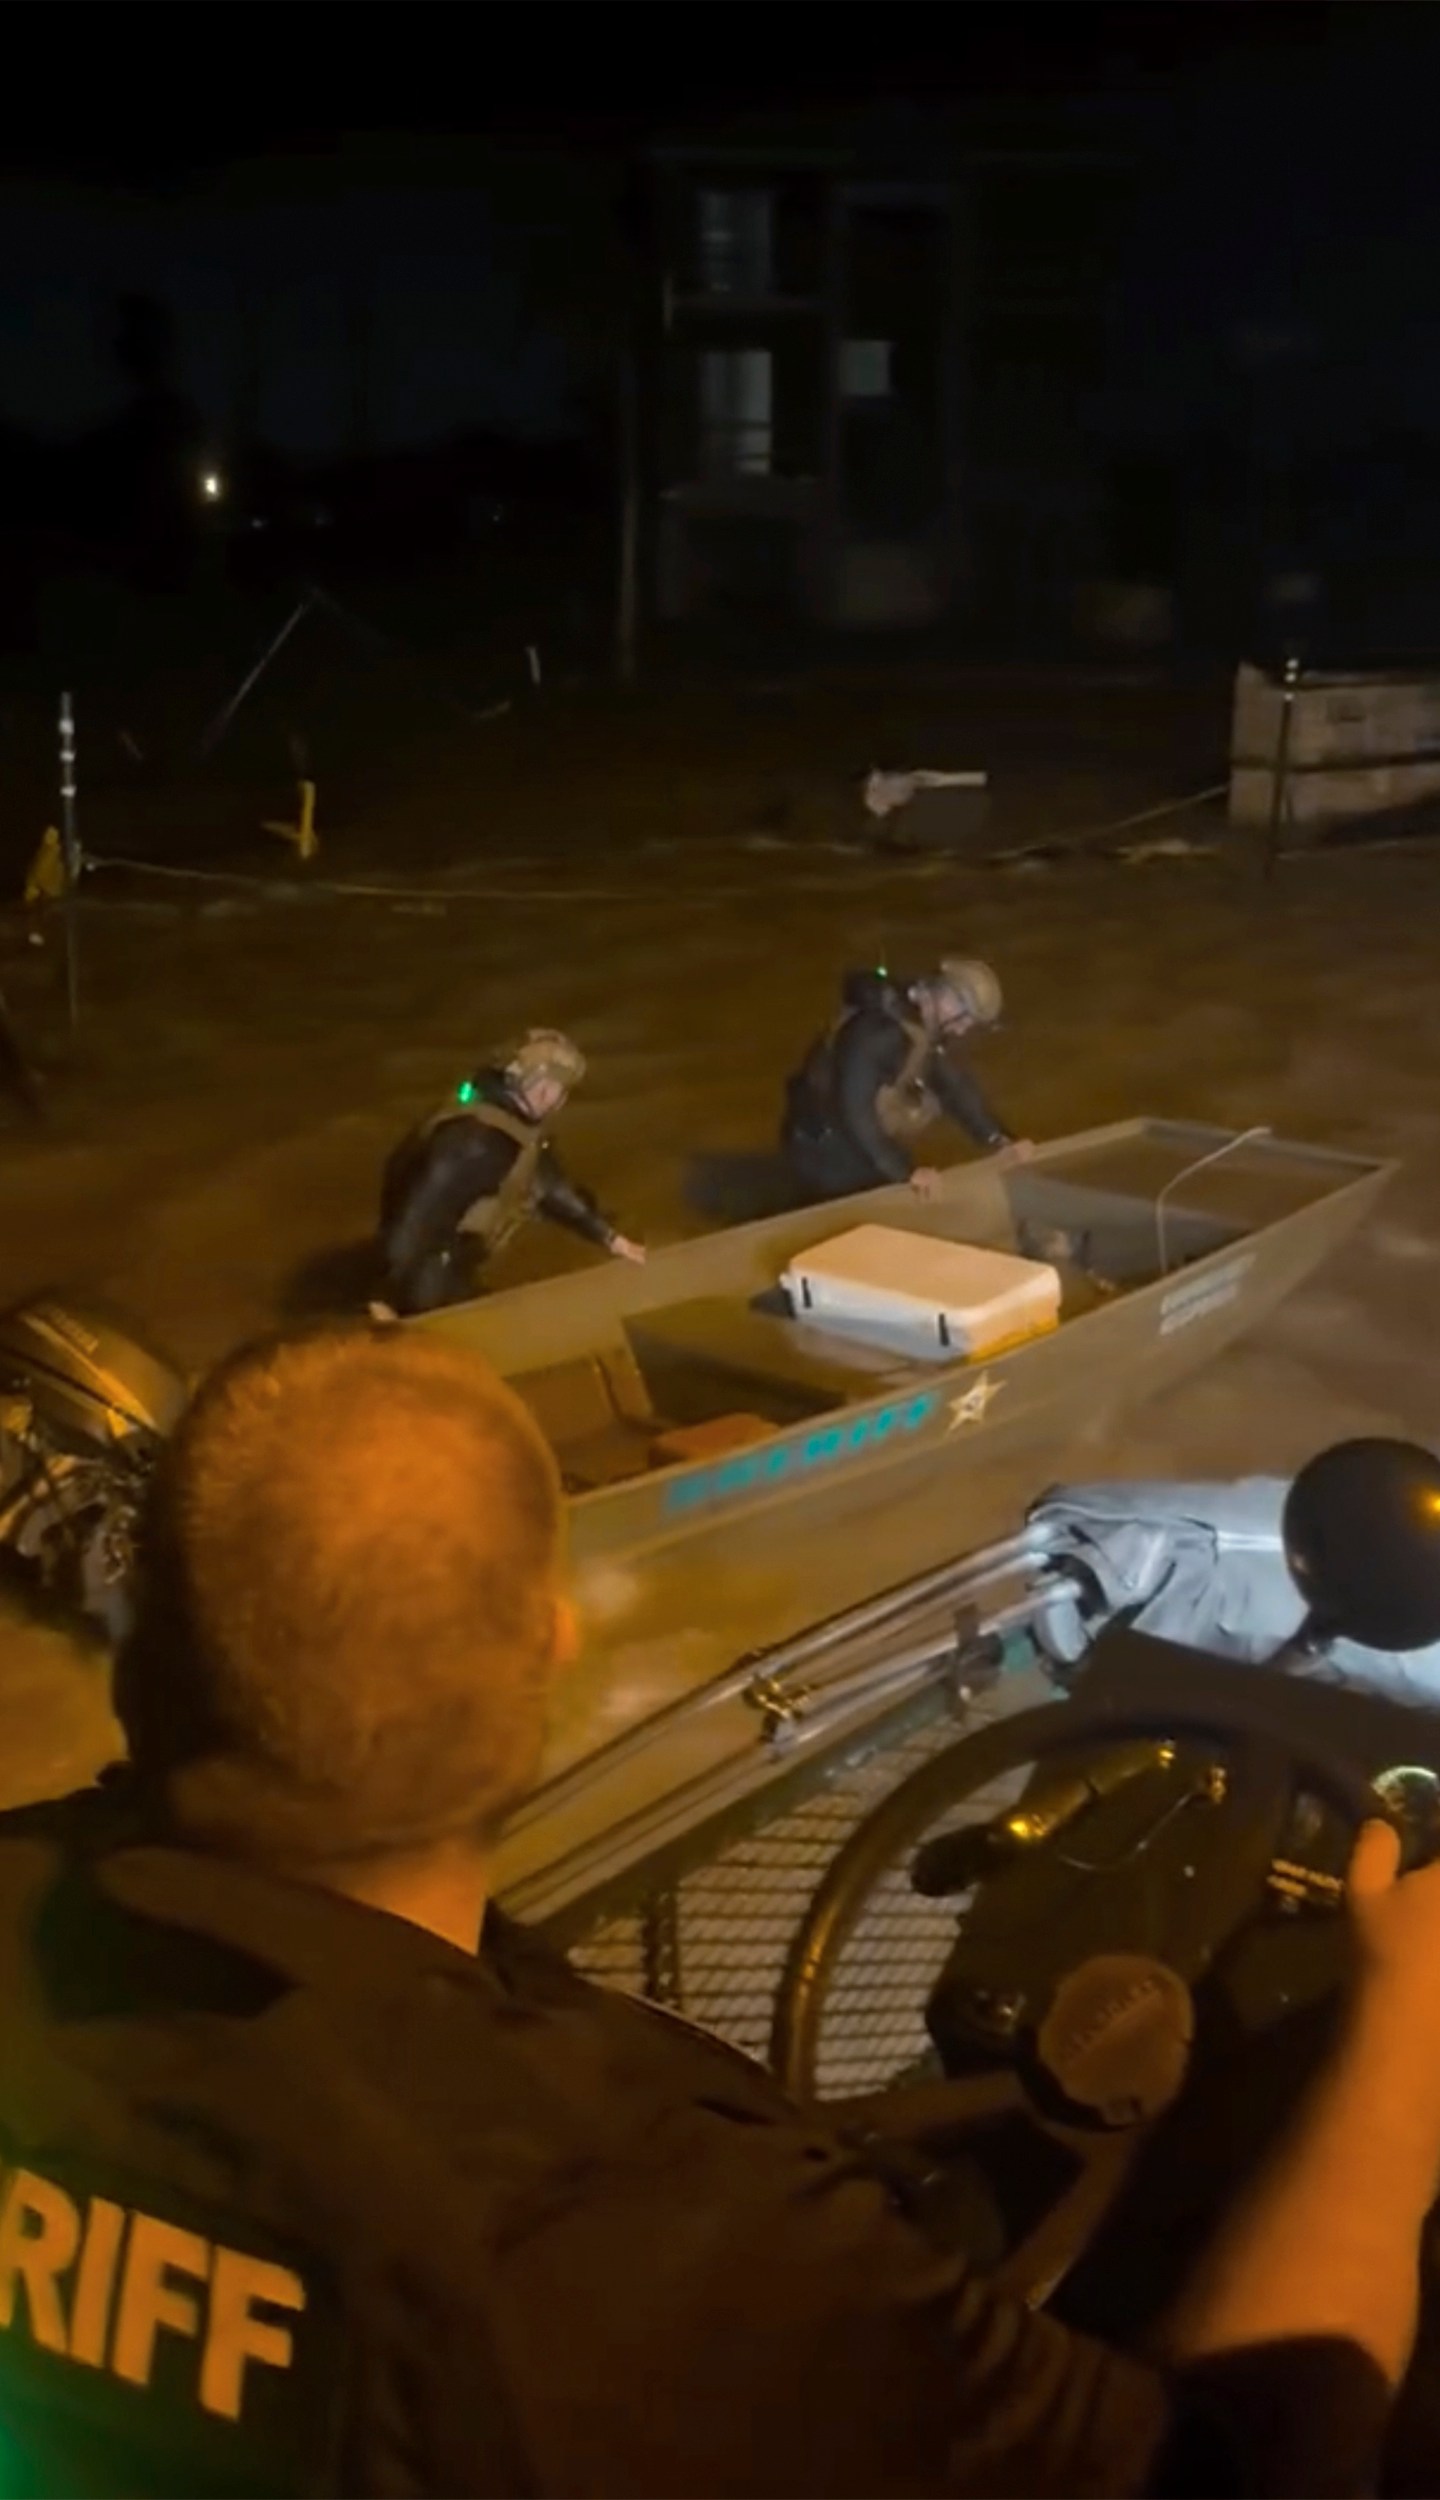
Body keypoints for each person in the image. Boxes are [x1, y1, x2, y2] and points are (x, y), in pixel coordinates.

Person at [0, 1322, 1435, 2497]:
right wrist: (1402, 2043)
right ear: (552, 1652)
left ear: (137, 1654)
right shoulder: (627, 2239)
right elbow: (1251, 2474)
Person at [376, 1027, 644, 1315]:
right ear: (521, 1077)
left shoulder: (511, 1119)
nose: (552, 1096)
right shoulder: (474, 1143)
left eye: (560, 1088)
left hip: (452, 1247)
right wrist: (391, 1300)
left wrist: (609, 1238)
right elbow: (416, 1218)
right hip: (429, 1260)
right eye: (546, 1084)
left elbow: (548, 1184)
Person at [780, 957, 1034, 1204]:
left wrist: (998, 1138)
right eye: (964, 1018)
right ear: (946, 998)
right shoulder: (878, 1033)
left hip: (856, 1142)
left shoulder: (919, 1021)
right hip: (824, 1149)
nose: (964, 1029)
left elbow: (953, 1087)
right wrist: (904, 1172)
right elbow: (853, 1110)